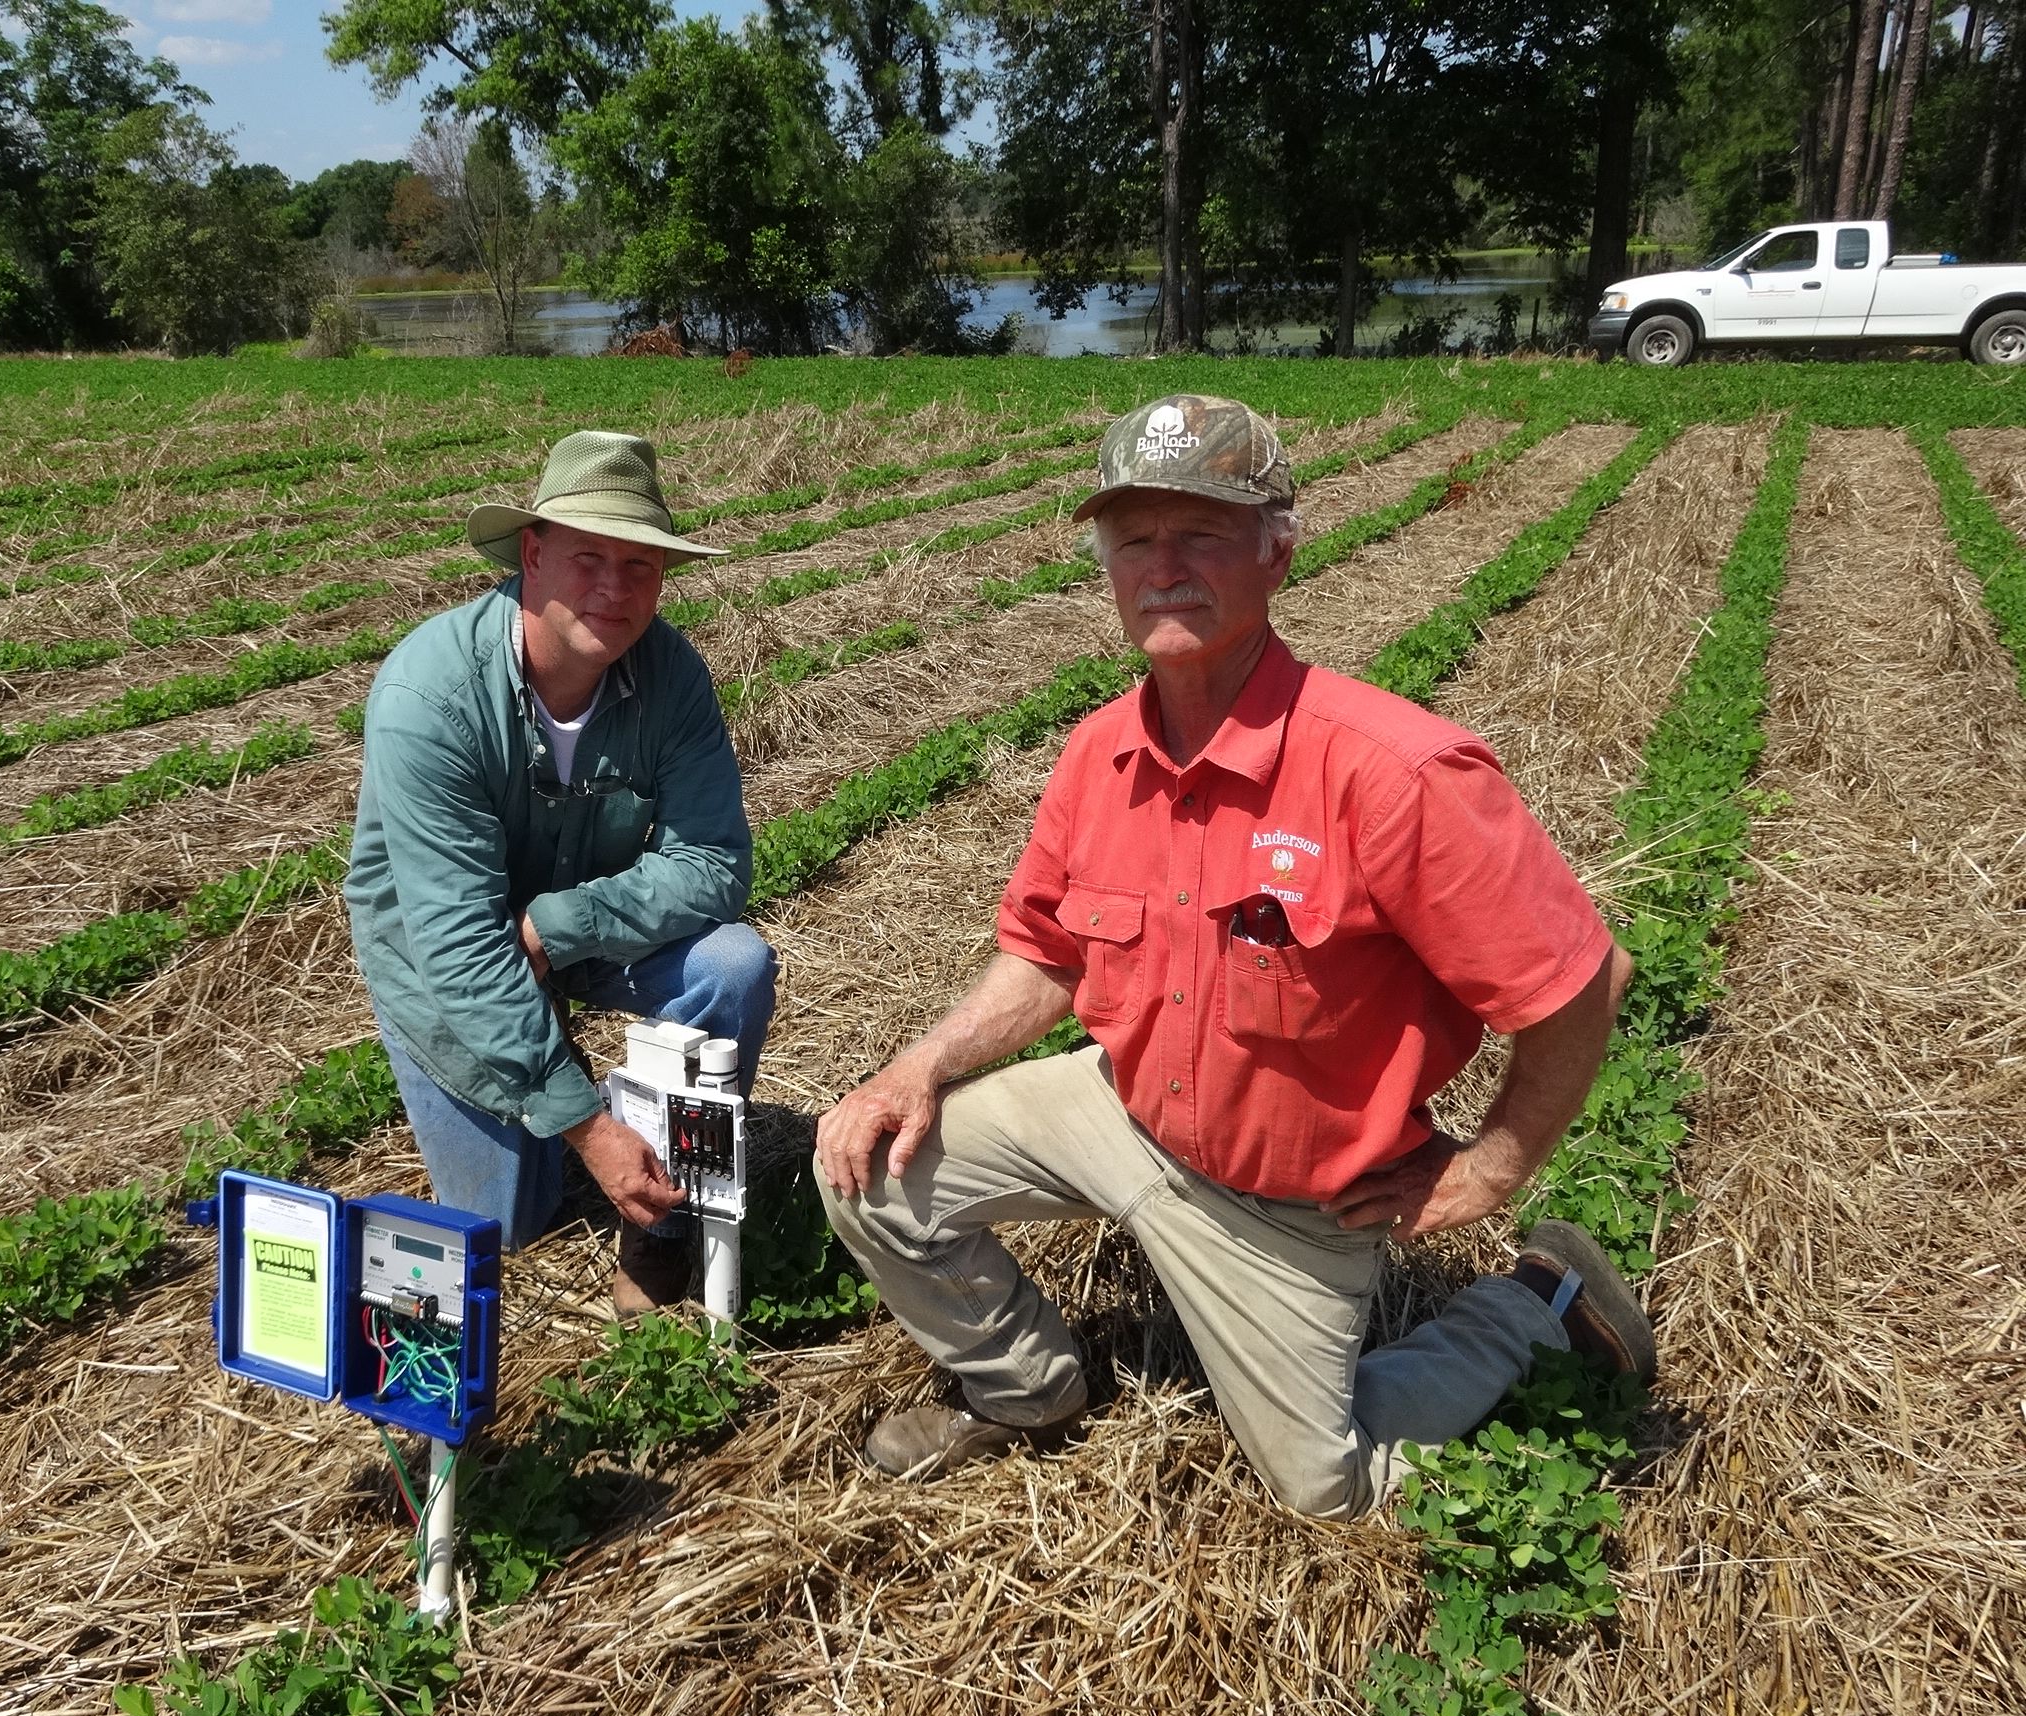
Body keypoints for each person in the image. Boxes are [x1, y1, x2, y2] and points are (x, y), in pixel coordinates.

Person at [813, 394, 1655, 1516]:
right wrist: (918, 1068)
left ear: (1279, 553)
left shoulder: (1392, 774)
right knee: (867, 1174)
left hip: (1284, 1204)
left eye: (1202, 533)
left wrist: (1492, 1166)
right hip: (1121, 1108)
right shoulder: (1097, 754)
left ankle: (1537, 1304)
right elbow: (1049, 956)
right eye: (1136, 537)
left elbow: (1584, 984)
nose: (1165, 565)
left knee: (1330, 1494)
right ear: (1106, 563)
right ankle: (1024, 1389)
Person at [347, 430, 777, 1316]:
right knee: (513, 1224)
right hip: (446, 957)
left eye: (641, 565)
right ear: (533, 555)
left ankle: (662, 1236)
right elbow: (461, 949)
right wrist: (588, 1127)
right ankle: (561, 1085)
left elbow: (715, 865)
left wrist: (559, 925)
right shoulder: (430, 697)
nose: (616, 591)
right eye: (590, 559)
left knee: (733, 966)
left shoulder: (671, 674)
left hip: (579, 926)